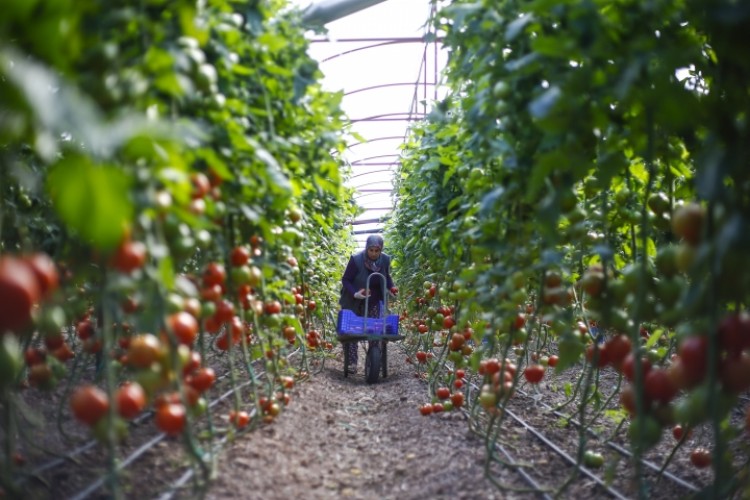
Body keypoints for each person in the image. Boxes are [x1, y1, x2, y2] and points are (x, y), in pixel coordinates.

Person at [339, 234, 398, 373]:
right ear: (366, 248)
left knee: (374, 329)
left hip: (373, 299)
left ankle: (374, 356)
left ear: (380, 250)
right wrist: (355, 293)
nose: (373, 253)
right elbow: (346, 279)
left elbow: (387, 277)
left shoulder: (384, 260)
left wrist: (391, 287)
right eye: (371, 250)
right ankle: (352, 363)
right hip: (354, 299)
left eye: (377, 251)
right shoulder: (356, 260)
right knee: (352, 331)